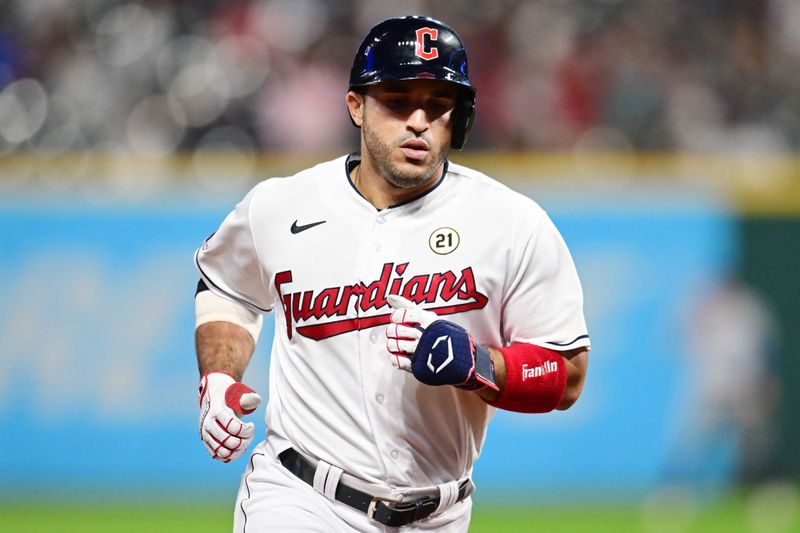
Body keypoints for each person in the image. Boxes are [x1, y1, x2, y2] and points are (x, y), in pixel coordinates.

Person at [194, 15, 590, 532]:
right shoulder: (279, 206)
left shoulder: (513, 224)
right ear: (357, 106)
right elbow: (227, 290)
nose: (419, 120)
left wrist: (480, 365)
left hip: (439, 514)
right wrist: (220, 376)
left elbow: (567, 376)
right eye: (398, 100)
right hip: (302, 498)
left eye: (438, 104)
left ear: (460, 118)